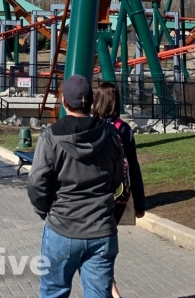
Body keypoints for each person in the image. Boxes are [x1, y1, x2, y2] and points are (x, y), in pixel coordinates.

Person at [27, 74, 124, 298]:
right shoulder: (110, 134)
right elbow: (118, 175)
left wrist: (45, 210)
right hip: (101, 228)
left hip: (62, 226)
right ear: (92, 102)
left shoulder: (51, 137)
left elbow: (36, 182)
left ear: (63, 102)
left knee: (54, 292)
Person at [91, 81, 146, 298]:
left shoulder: (91, 126)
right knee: (108, 240)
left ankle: (109, 287)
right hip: (118, 193)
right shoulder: (123, 129)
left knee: (96, 243)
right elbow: (133, 166)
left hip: (94, 194)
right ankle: (110, 287)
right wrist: (140, 203)